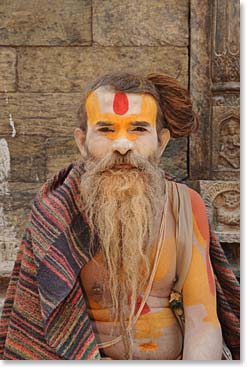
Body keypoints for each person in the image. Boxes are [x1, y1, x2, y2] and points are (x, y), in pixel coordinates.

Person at [0, 72, 225, 360]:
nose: (122, 145)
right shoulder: (58, 213)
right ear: (81, 142)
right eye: (106, 129)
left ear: (162, 141)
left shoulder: (184, 206)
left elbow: (203, 320)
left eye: (138, 129)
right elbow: (40, 327)